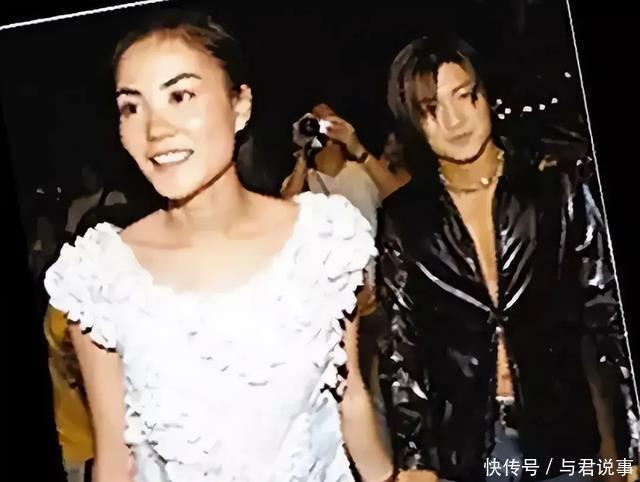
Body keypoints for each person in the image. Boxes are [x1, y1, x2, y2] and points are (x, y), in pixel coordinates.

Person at [44, 10, 392, 482]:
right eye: (132, 107)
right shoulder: (101, 277)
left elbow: (350, 400)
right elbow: (114, 458)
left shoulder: (321, 242)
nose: (156, 130)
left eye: (180, 95)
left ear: (240, 105)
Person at [376, 35, 639, 482]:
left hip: (561, 435)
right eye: (432, 109)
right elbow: (403, 345)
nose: (455, 120)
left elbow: (611, 316)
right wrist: (415, 457)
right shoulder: (405, 218)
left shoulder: (556, 189)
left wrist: (632, 438)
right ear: (413, 122)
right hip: (466, 446)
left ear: (484, 96)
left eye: (464, 96)